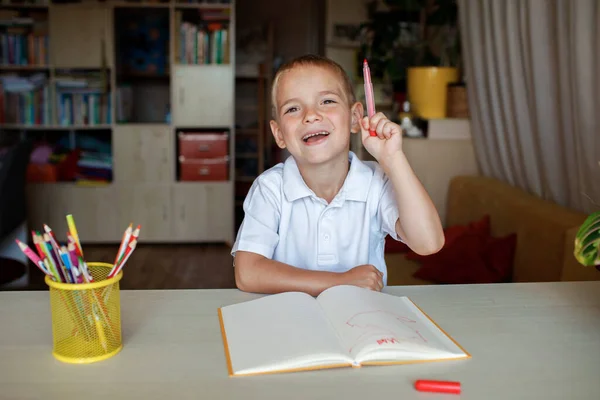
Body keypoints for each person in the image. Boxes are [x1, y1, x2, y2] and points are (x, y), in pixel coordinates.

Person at [231, 54, 444, 296]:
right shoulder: (269, 188)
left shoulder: (376, 182)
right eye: (293, 108)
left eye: (327, 101)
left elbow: (429, 243)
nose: (310, 115)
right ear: (279, 133)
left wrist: (393, 159)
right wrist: (339, 281)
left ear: (355, 118)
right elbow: (247, 273)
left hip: (362, 324)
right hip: (289, 327)